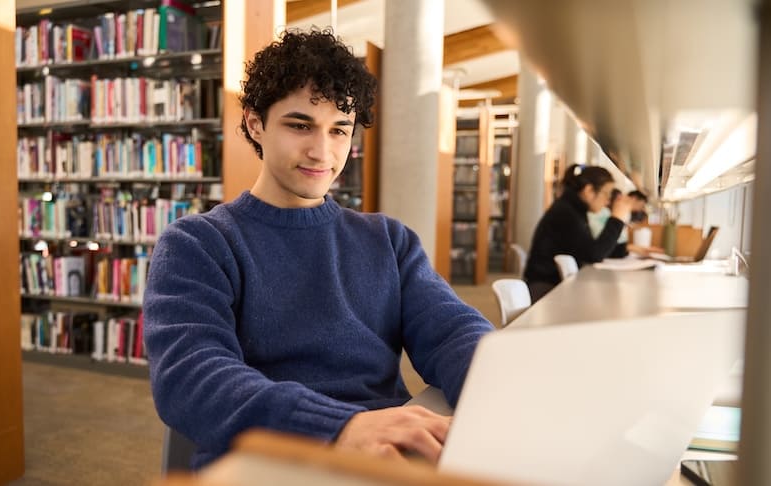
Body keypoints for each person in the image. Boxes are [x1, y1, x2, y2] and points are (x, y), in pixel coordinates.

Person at [142, 28, 495, 470]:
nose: (322, 152)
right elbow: (191, 379)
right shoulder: (197, 243)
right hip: (267, 462)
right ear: (256, 123)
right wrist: (340, 427)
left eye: (339, 130)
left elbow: (453, 330)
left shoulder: (388, 239)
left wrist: (499, 388)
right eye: (300, 125)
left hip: (382, 454)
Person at [523, 164, 632, 302]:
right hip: (545, 289)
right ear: (589, 190)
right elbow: (593, 254)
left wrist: (622, 247)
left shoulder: (573, 209)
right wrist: (616, 219)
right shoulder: (566, 213)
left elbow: (595, 249)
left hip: (553, 284)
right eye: (606, 193)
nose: (608, 201)